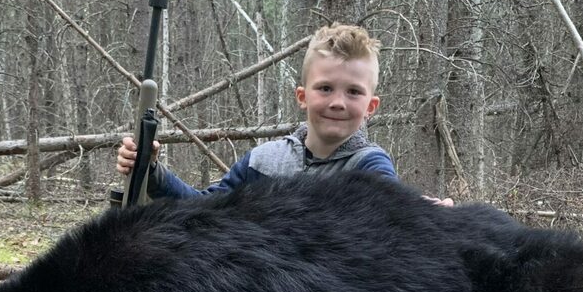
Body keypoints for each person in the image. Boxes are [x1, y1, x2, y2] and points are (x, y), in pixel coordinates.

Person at [116, 23, 402, 198]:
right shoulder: (263, 162)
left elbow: (399, 219)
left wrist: (434, 216)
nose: (338, 102)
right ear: (302, 96)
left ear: (371, 107)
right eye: (325, 88)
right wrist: (150, 171)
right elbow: (205, 210)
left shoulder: (370, 168)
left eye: (353, 92)